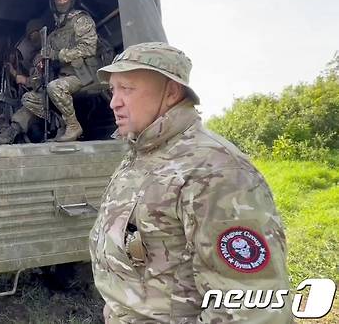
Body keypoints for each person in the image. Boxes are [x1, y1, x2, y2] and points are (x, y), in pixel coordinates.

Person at [90, 42, 292, 323]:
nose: (114, 102)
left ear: (171, 91)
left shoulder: (215, 171)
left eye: (128, 88)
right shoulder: (145, 152)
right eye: (113, 90)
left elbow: (251, 307)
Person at [45, 0, 98, 142]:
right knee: (40, 93)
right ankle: (62, 126)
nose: (62, 2)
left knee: (54, 87)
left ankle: (73, 126)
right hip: (67, 74)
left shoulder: (81, 19)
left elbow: (88, 48)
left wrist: (58, 55)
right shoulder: (56, 30)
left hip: (84, 74)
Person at [0, 19, 48, 144]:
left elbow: (43, 80)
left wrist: (25, 80)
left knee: (30, 98)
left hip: (51, 90)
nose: (33, 38)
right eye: (30, 36)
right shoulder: (37, 55)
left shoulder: (48, 53)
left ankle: (12, 132)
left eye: (35, 34)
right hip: (45, 90)